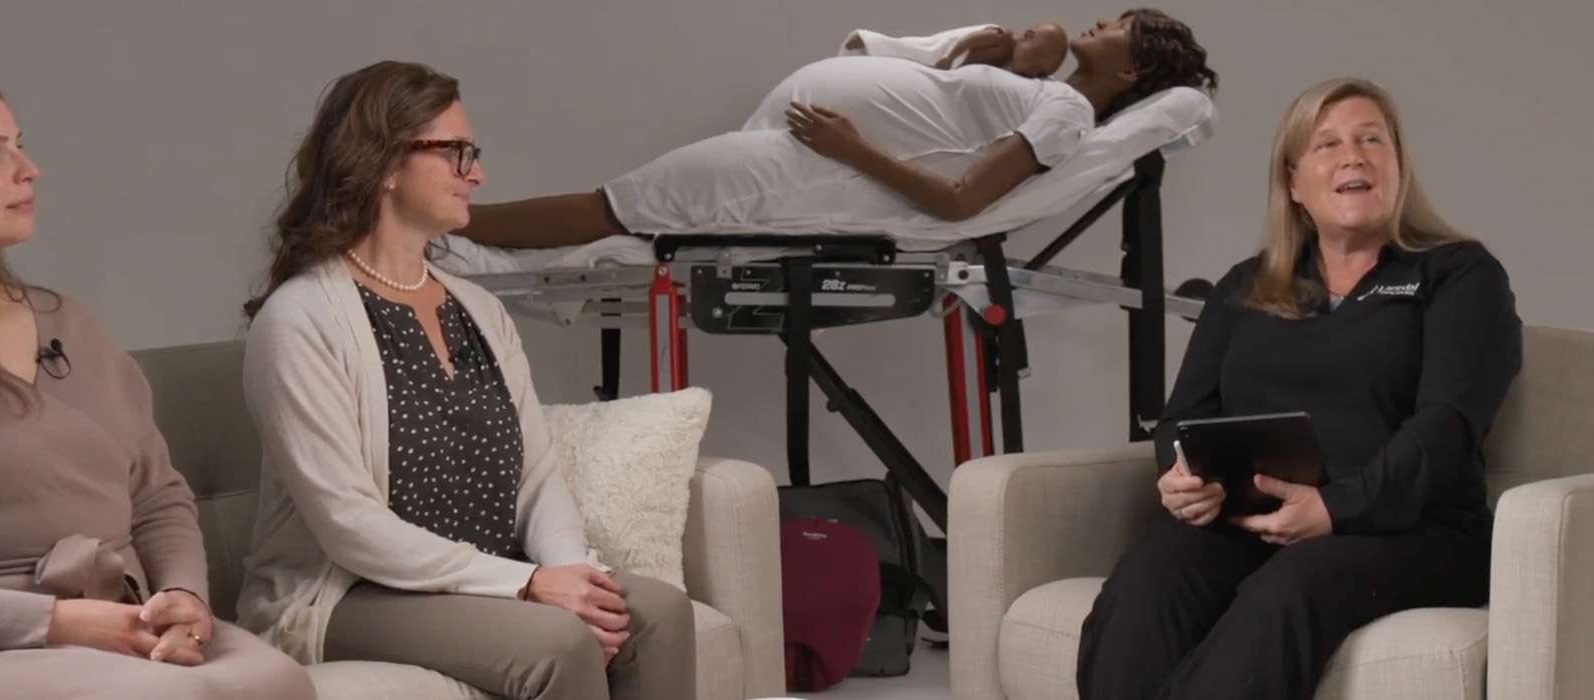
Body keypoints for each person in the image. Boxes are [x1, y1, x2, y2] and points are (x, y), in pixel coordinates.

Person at [0, 69, 315, 699]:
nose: (28, 169)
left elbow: (158, 498)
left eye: (20, 143)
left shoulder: (71, 324)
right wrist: (58, 623)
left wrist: (183, 597)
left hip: (113, 620)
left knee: (277, 682)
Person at [235, 60, 695, 700]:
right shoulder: (302, 319)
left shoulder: (479, 310)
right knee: (558, 644)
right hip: (356, 594)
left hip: (490, 577)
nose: (476, 175)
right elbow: (349, 525)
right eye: (455, 154)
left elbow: (536, 477)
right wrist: (527, 585)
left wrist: (567, 569)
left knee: (661, 614)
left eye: (471, 154)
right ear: (386, 163)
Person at [1075, 77, 1523, 699]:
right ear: (1294, 185)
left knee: (1290, 588)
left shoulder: (1458, 275)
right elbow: (1182, 419)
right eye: (1327, 144)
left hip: (1415, 535)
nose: (1354, 156)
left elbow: (1447, 427)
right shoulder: (1246, 286)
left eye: (1373, 140)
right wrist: (1181, 479)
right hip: (1253, 522)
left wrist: (1335, 509)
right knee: (1149, 576)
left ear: (1397, 166)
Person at [456, 8, 1214, 248]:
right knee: (623, 208)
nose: (1102, 20)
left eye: (1121, 27)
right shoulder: (1045, 91)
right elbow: (959, 113)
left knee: (613, 205)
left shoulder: (1071, 112)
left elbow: (960, 200)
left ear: (1131, 74)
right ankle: (447, 229)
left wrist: (851, 148)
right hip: (798, 150)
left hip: (813, 169)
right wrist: (1014, 55)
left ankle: (450, 227)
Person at [841, 21, 1069, 76]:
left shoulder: (1011, 64)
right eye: (1034, 61)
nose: (1031, 72)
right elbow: (970, 40)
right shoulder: (1003, 37)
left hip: (957, 66)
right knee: (914, 50)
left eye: (1039, 72)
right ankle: (867, 42)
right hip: (950, 53)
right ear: (1027, 37)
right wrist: (950, 56)